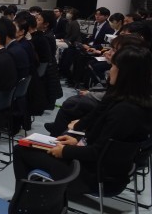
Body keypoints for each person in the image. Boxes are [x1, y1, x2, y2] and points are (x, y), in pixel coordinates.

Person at [13, 45, 152, 197]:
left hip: (93, 176)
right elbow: (106, 145)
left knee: (21, 150)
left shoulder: (124, 111)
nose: (110, 70)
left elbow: (98, 152)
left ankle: (27, 200)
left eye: (113, 66)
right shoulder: (137, 103)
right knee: (51, 141)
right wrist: (78, 141)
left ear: (124, 73)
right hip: (109, 171)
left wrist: (65, 151)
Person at [45, 34, 150, 136]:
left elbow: (99, 139)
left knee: (73, 103)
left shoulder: (124, 108)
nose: (108, 53)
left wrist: (80, 128)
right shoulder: (132, 88)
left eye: (114, 50)